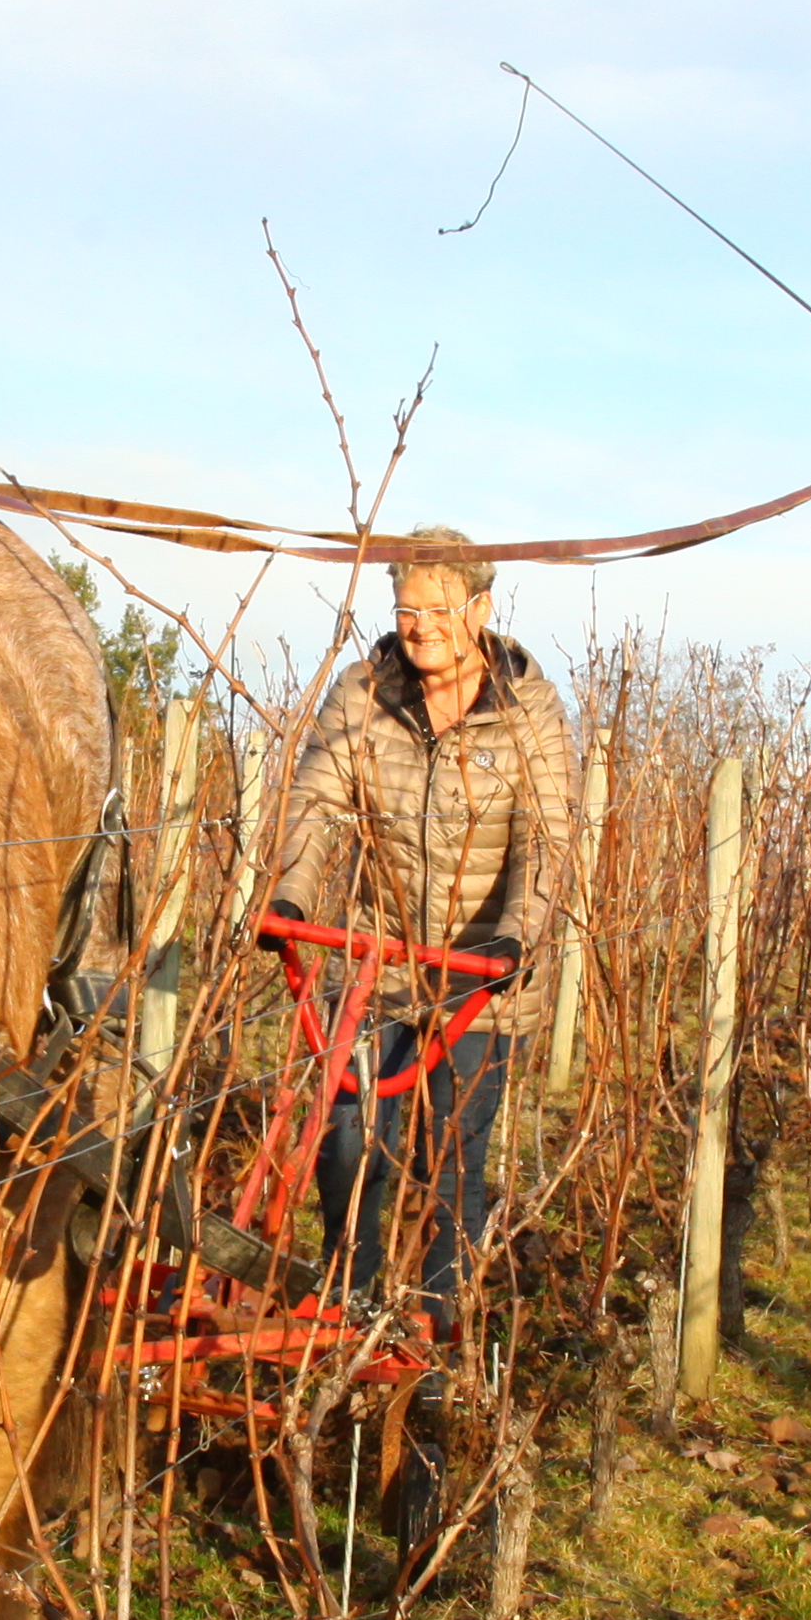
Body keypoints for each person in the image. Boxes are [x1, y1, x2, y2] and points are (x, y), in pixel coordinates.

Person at [262, 528, 575, 1321]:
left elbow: (546, 833)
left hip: (483, 981)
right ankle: (352, 1300)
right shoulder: (363, 693)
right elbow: (316, 803)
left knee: (454, 1162)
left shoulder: (526, 707)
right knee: (343, 1137)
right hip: (376, 959)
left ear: (481, 608)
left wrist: (517, 936)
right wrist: (291, 900)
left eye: (439, 609)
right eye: (407, 608)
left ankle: (437, 1333)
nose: (421, 625)